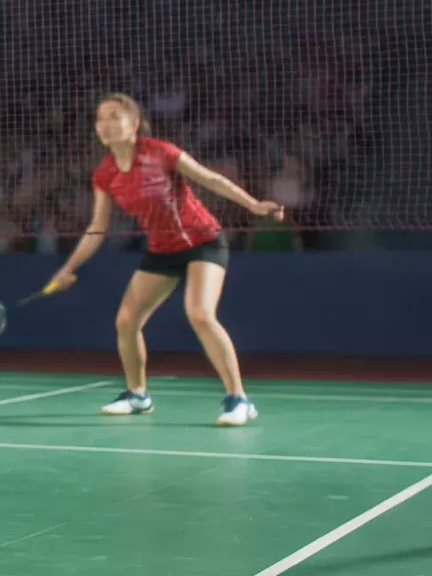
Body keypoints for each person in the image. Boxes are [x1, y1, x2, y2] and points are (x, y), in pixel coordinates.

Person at [46, 94, 284, 426]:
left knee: (200, 314)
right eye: (100, 118)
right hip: (162, 249)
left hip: (203, 241)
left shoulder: (161, 152)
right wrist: (68, 267)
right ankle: (137, 396)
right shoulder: (105, 173)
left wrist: (255, 205)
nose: (105, 123)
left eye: (115, 116)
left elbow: (211, 180)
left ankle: (239, 399)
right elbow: (97, 227)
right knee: (126, 321)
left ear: (134, 124)